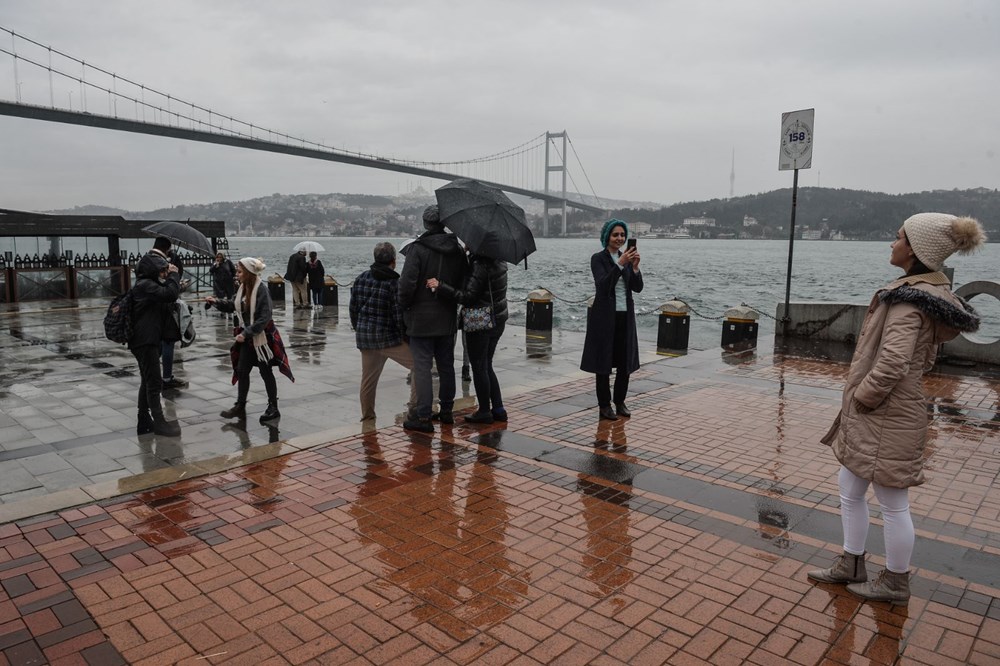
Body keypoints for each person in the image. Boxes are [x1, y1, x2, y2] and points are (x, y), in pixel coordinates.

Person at [807, 213, 986, 606]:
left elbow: (893, 363)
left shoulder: (907, 303)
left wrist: (863, 397)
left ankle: (896, 581)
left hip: (886, 412)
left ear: (916, 250)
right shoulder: (920, 295)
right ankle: (851, 563)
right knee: (850, 487)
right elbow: (924, 360)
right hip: (891, 410)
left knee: (892, 501)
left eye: (899, 237)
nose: (892, 243)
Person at [396, 205, 468, 432]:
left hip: (420, 320)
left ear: (426, 224)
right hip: (446, 318)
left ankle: (424, 416)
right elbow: (463, 282)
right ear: (444, 223)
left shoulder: (416, 249)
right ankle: (446, 411)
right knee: (447, 366)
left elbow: (406, 285)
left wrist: (404, 307)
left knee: (423, 368)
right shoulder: (456, 250)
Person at [207, 257, 295, 423]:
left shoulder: (261, 290)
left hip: (262, 339)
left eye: (239, 272)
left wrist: (246, 333)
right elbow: (233, 304)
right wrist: (216, 302)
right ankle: (240, 406)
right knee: (242, 370)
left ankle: (273, 407)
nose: (237, 275)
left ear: (248, 273)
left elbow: (265, 317)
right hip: (248, 338)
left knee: (265, 371)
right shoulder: (243, 288)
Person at [428, 251, 508, 424]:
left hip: (480, 321)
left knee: (479, 367)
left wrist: (441, 286)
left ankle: (485, 411)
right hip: (498, 319)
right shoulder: (500, 261)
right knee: (487, 364)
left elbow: (468, 297)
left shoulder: (480, 265)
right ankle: (499, 409)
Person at [580, 219, 643, 421]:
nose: (620, 238)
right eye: (615, 235)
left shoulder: (625, 259)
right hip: (605, 318)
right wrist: (620, 263)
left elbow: (637, 287)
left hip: (625, 317)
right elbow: (603, 285)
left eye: (622, 235)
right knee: (603, 363)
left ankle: (620, 401)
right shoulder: (598, 259)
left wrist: (634, 267)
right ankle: (604, 405)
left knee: (625, 362)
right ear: (607, 236)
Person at [349, 242, 417, 422]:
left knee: (368, 380)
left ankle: (368, 416)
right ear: (393, 261)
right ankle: (414, 407)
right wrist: (407, 338)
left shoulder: (361, 278)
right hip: (388, 339)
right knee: (419, 366)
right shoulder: (394, 283)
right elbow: (397, 315)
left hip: (366, 338)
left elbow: (353, 309)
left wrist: (359, 328)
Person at [128, 250, 182, 437]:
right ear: (151, 270)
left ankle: (144, 420)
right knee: (154, 382)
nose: (164, 273)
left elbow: (167, 296)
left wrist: (171, 279)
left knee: (148, 379)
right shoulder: (145, 286)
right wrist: (174, 275)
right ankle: (159, 422)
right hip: (145, 340)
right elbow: (170, 294)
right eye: (161, 270)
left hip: (147, 338)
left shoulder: (147, 284)